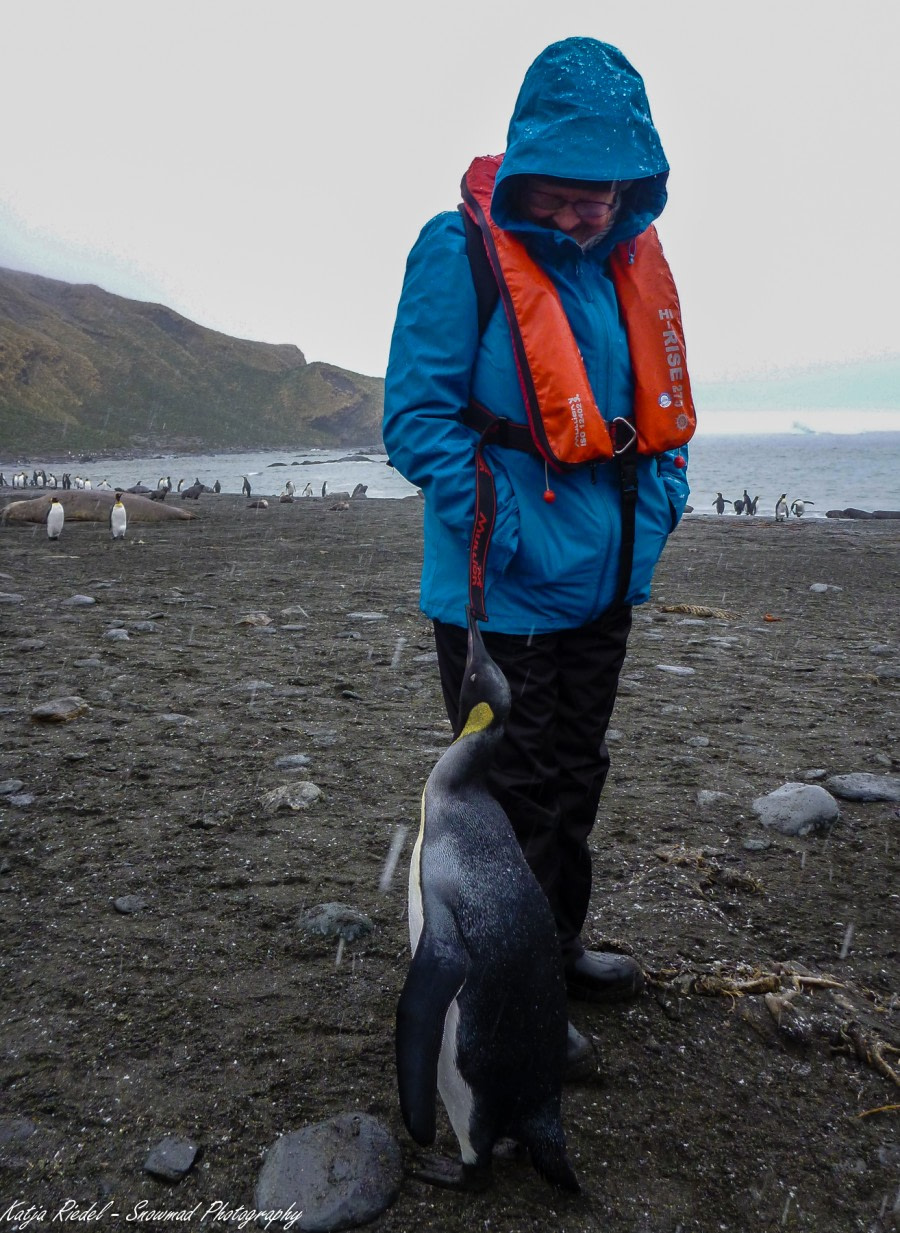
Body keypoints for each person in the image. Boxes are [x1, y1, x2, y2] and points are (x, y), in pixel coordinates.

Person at [383, 39, 692, 1031]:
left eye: (594, 194)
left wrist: (665, 504)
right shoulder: (457, 250)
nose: (574, 212)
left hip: (603, 581)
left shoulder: (630, 268)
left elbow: (659, 421)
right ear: (522, 169)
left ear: (630, 185)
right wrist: (501, 525)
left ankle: (550, 953)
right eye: (556, 190)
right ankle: (505, 1001)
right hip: (500, 587)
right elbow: (416, 419)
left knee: (572, 775)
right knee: (506, 797)